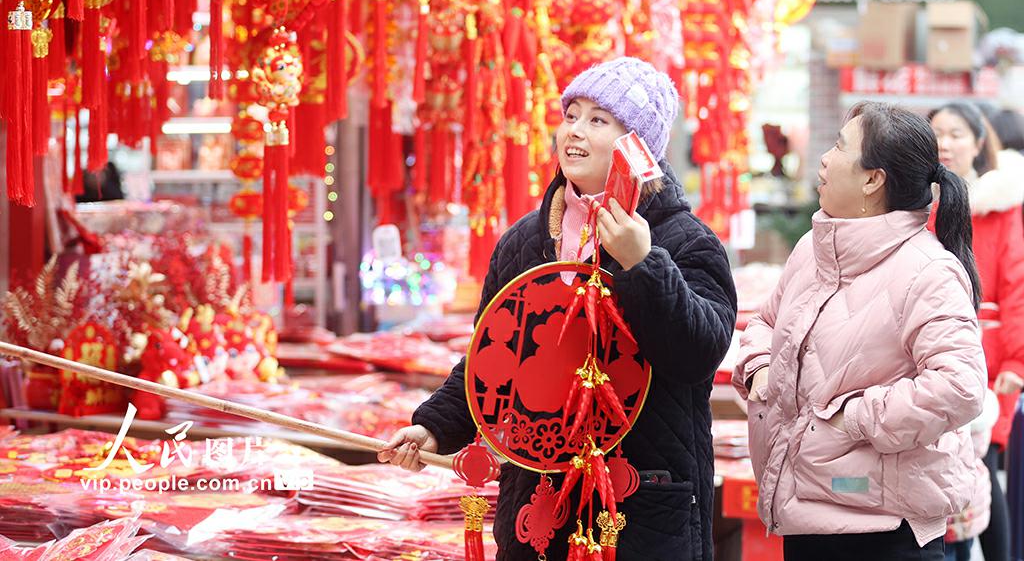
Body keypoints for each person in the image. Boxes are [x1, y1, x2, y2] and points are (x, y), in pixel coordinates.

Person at [379, 57, 737, 561]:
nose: (575, 132)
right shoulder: (524, 241)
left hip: (641, 506)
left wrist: (643, 264)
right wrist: (436, 425)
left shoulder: (686, 242)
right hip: (537, 498)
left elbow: (697, 355)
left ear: (638, 145)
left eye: (598, 120)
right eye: (571, 115)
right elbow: (495, 352)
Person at [735, 101, 987, 561]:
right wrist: (760, 366)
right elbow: (765, 323)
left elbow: (960, 386)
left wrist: (851, 417)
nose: (824, 160)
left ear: (873, 180)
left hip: (882, 530)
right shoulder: (814, 248)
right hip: (806, 511)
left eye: (838, 146)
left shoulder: (928, 271)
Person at [930, 101, 1024, 561]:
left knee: (979, 466)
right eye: (937, 134)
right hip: (928, 356)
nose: (945, 144)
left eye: (956, 134)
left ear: (979, 142)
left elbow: (1017, 285)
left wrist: (1016, 362)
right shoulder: (917, 202)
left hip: (985, 357)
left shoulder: (1000, 204)